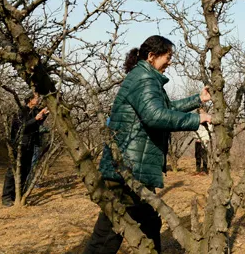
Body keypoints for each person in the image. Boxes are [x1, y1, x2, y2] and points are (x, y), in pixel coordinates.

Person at [84, 35, 212, 254]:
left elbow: (166, 107)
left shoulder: (146, 77)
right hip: (126, 171)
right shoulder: (144, 78)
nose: (170, 62)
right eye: (168, 56)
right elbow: (155, 116)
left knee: (150, 224)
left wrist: (197, 100)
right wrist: (196, 120)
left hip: (135, 168)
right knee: (107, 237)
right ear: (152, 56)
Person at [1, 92, 49, 206]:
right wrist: (36, 118)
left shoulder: (36, 111)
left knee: (26, 170)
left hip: (31, 145)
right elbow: (22, 127)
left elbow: (37, 125)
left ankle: (17, 195)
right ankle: (6, 197)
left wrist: (43, 115)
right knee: (13, 171)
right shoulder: (21, 111)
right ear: (30, 100)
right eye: (36, 98)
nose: (38, 100)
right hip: (19, 145)